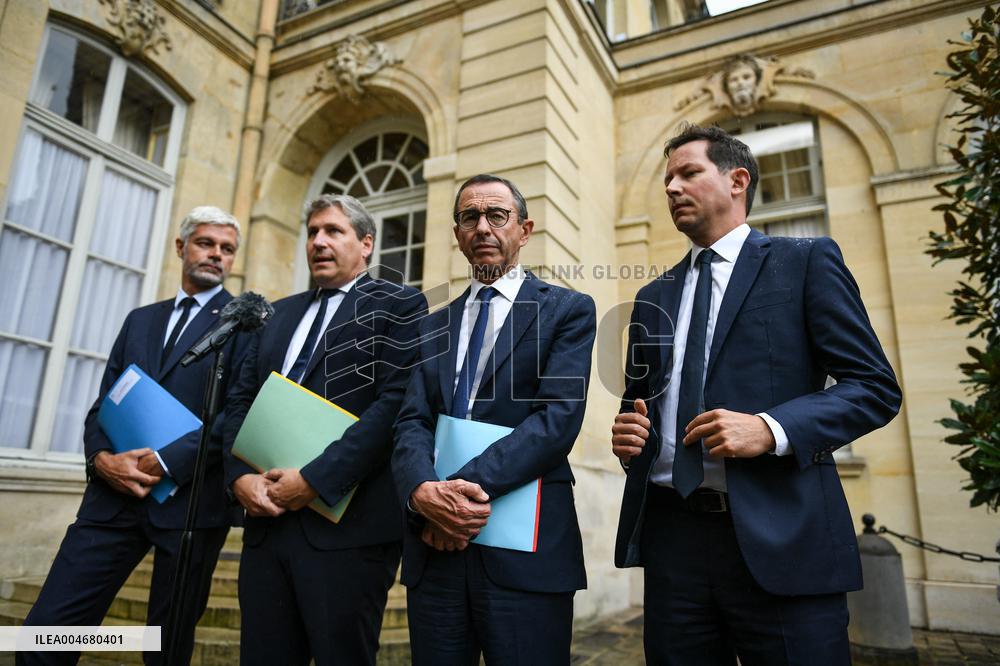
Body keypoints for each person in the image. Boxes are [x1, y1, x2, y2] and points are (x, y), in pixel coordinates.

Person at [611, 125, 902, 666]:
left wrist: (771, 429)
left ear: (737, 179)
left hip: (783, 536)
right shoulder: (652, 297)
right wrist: (630, 433)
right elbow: (639, 405)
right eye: (667, 178)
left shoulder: (805, 262)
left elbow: (874, 387)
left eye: (689, 173)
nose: (672, 187)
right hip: (674, 545)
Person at [20, 206, 247, 666]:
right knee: (44, 637)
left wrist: (164, 462)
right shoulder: (140, 320)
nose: (216, 256)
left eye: (227, 249)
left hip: (191, 507)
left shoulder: (247, 324)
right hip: (112, 500)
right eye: (206, 243)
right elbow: (104, 405)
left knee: (164, 652)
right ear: (181, 247)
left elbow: (235, 417)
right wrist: (102, 460)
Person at [392, 174, 596, 665]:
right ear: (457, 233)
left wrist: (452, 495)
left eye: (496, 216)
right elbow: (411, 421)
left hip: (524, 552)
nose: (482, 227)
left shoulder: (568, 310)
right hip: (434, 554)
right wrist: (421, 492)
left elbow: (557, 420)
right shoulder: (430, 324)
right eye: (469, 217)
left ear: (523, 230)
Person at [223, 193, 427, 666]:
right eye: (312, 232)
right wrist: (238, 478)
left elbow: (392, 407)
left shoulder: (400, 305)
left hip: (348, 531)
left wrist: (313, 481)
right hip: (266, 524)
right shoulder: (277, 313)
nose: (318, 241)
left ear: (366, 244)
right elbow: (239, 401)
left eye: (333, 231)